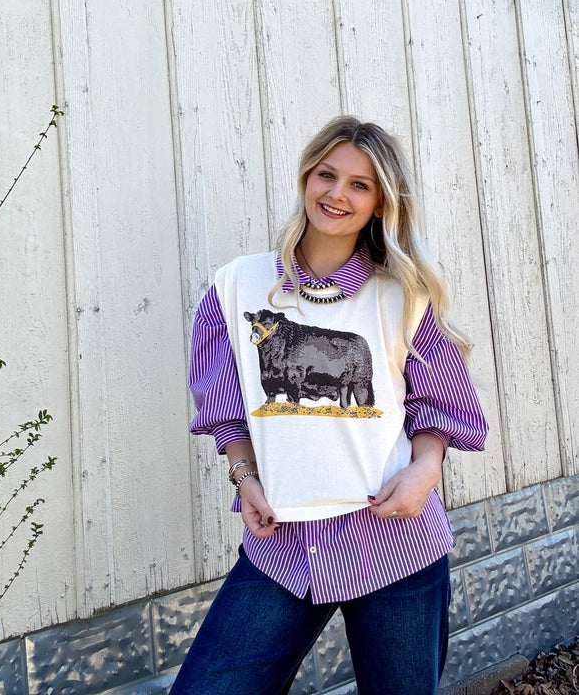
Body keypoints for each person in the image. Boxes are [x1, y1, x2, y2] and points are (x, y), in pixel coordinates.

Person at [170, 116, 488, 695]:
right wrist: (243, 476)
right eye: (327, 175)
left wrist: (425, 469)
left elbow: (438, 404)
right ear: (306, 178)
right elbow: (223, 401)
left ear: (379, 203)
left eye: (359, 185)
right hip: (282, 544)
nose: (337, 194)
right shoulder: (237, 286)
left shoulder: (403, 295)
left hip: (395, 542)